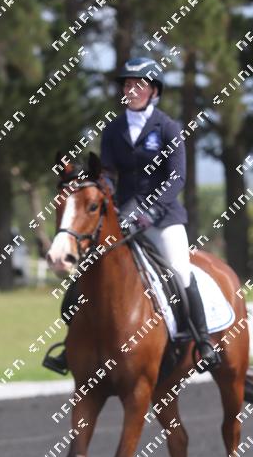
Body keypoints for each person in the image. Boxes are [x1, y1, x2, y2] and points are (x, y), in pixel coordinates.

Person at [44, 56, 220, 374]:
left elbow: (177, 177)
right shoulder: (114, 130)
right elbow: (109, 173)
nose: (132, 90)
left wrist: (152, 207)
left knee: (180, 272)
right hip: (124, 214)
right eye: (127, 85)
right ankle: (72, 346)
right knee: (86, 276)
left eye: (139, 85)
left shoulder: (168, 128)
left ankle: (202, 340)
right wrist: (106, 195)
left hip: (164, 217)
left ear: (154, 91)